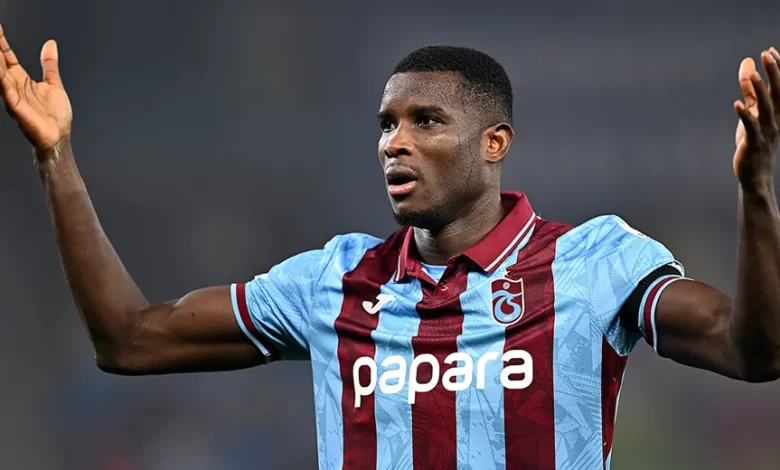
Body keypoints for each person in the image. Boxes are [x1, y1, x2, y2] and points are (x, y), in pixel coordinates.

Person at [1, 22, 779, 470]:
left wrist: (752, 192)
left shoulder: (594, 263)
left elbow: (755, 352)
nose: (394, 143)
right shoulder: (334, 281)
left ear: (495, 141)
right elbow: (130, 340)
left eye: (425, 122)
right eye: (386, 125)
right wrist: (55, 155)